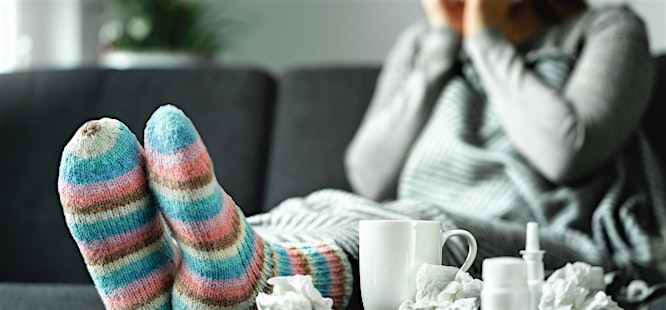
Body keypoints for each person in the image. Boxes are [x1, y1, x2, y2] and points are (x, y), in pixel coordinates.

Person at [57, 0, 665, 309]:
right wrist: (437, 54)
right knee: (317, 202)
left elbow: (566, 152)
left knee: (412, 231)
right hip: (407, 210)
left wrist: (483, 37)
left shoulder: (609, 28)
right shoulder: (422, 46)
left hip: (540, 238)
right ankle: (179, 285)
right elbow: (367, 172)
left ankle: (251, 281)